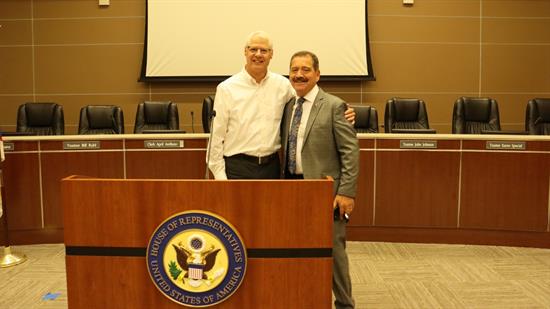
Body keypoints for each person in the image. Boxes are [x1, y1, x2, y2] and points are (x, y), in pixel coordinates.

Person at [208, 31, 354, 180]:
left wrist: (344, 110)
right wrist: (221, 178)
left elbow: (310, 98)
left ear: (271, 54)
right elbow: (216, 138)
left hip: (271, 168)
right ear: (245, 51)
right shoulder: (226, 88)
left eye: (264, 50)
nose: (258, 54)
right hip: (237, 168)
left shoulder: (283, 85)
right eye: (253, 49)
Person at [281, 50, 359, 309]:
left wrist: (346, 192)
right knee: (297, 246)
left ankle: (345, 304)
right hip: (293, 187)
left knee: (334, 252)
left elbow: (350, 151)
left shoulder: (335, 105)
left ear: (317, 74)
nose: (299, 75)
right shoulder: (289, 106)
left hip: (326, 191)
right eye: (294, 70)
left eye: (305, 69)